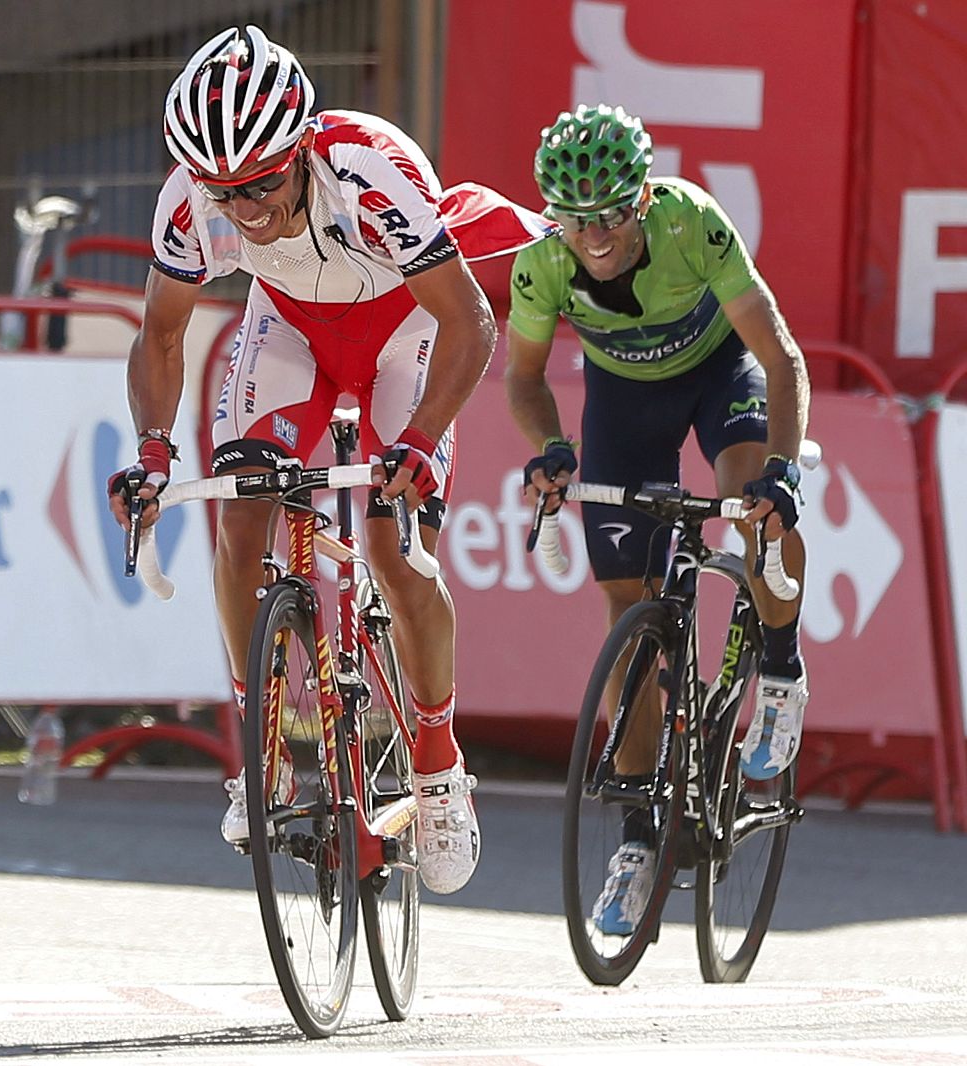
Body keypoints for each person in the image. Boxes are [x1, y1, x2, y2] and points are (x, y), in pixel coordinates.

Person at [107, 25, 550, 894]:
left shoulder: (372, 173)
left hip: (402, 330)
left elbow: (468, 322)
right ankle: (260, 752)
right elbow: (162, 336)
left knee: (390, 544)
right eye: (224, 189)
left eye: (264, 180)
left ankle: (435, 762)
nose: (247, 206)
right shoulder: (190, 202)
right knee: (241, 522)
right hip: (291, 332)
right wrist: (153, 453)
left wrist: (419, 440)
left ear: (302, 148)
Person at [505, 104, 811, 932]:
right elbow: (524, 378)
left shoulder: (691, 220)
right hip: (623, 399)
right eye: (575, 218)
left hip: (722, 373)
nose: (594, 233)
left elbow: (780, 356)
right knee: (629, 612)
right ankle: (640, 837)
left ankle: (780, 669)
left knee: (757, 511)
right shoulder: (541, 263)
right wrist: (552, 446)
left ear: (640, 199)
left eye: (610, 212)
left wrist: (783, 470)